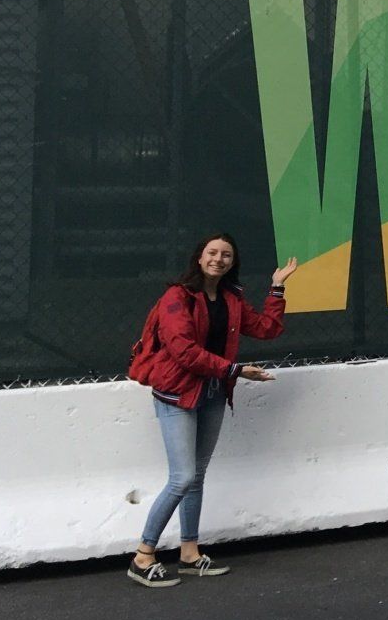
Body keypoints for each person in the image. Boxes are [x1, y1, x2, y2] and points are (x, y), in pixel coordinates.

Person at [126, 233, 296, 588]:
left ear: (232, 263)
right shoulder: (178, 297)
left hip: (214, 393)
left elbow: (268, 328)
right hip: (177, 394)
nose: (218, 259)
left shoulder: (232, 299)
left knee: (197, 475)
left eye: (227, 255)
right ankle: (143, 556)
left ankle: (189, 554)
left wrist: (276, 288)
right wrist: (236, 370)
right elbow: (183, 350)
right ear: (199, 258)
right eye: (212, 253)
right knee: (182, 477)